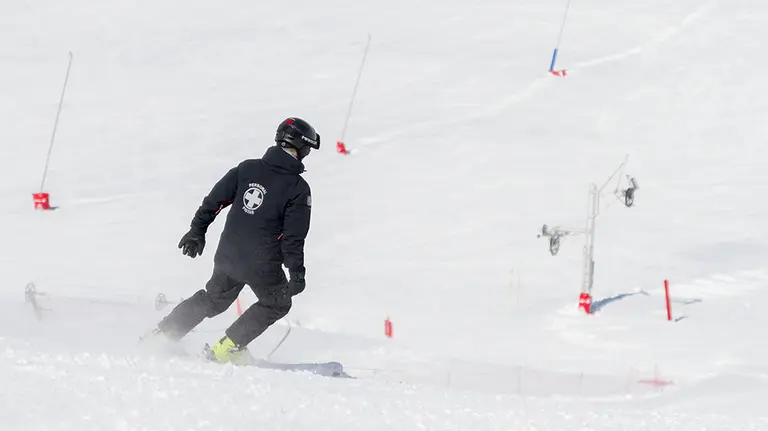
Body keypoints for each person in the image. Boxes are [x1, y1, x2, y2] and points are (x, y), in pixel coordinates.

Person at [146, 117, 320, 364]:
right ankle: (226, 349)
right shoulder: (298, 188)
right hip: (262, 262)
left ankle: (162, 335)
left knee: (214, 299)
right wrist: (297, 274)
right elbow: (293, 238)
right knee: (277, 303)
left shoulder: (247, 169)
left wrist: (197, 231)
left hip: (228, 254)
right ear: (301, 148)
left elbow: (213, 202)